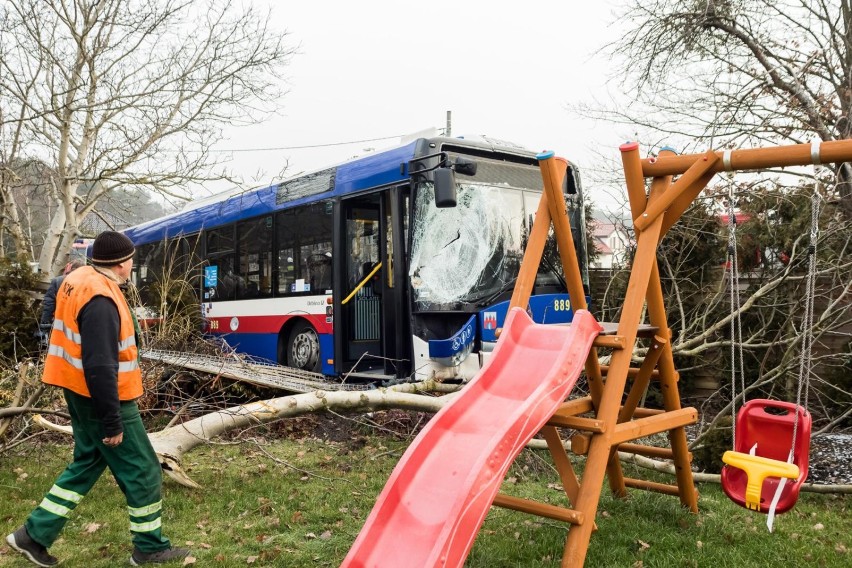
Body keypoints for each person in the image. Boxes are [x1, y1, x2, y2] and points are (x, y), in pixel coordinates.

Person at [6, 231, 189, 567]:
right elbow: (100, 364)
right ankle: (150, 548)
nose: (133, 263)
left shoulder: (78, 278)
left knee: (89, 460)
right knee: (144, 469)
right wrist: (112, 419)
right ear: (121, 264)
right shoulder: (102, 299)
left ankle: (31, 536)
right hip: (105, 396)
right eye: (131, 258)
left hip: (77, 389)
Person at [40, 259, 85, 334]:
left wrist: (45, 323)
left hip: (59, 322)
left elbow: (49, 304)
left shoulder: (58, 281)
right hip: (79, 323)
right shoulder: (87, 283)